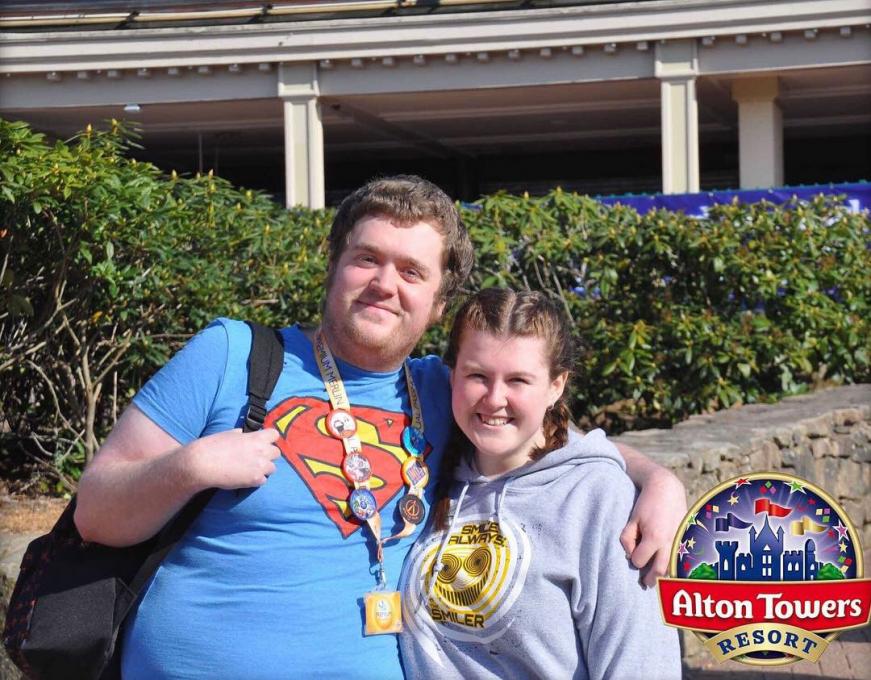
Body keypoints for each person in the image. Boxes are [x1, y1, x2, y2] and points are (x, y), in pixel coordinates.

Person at [74, 176, 686, 678]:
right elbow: (94, 513)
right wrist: (191, 467)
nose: (384, 284)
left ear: (439, 303)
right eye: (367, 258)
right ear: (333, 265)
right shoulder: (232, 356)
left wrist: (659, 481)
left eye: (411, 271)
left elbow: (542, 437)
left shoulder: (446, 390)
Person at [400, 288, 681, 679]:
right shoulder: (429, 467)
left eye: (518, 380)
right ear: (452, 375)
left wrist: (662, 481)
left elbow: (642, 665)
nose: (494, 399)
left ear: (556, 385)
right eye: (477, 375)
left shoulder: (599, 497)